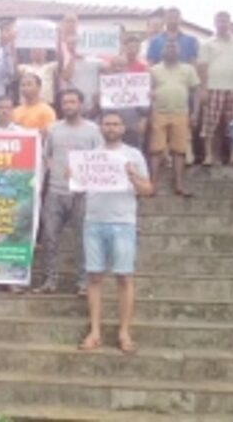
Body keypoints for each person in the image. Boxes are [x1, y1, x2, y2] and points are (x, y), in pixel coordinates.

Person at [78, 112, 153, 354]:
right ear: (100, 128)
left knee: (124, 278)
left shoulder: (133, 155)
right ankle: (95, 331)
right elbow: (77, 186)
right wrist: (74, 177)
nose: (111, 128)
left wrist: (132, 175)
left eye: (115, 124)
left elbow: (148, 190)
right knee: (94, 278)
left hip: (123, 223)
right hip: (94, 221)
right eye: (107, 124)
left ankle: (124, 332)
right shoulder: (90, 156)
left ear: (123, 128)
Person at [38, 89, 103, 295]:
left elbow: (100, 159)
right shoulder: (54, 129)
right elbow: (46, 156)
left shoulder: (93, 130)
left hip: (82, 193)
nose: (68, 106)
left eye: (72, 102)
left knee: (83, 238)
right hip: (55, 191)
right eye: (65, 102)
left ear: (81, 104)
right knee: (49, 237)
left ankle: (83, 282)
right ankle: (50, 280)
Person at [198, 11, 233, 166]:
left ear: (230, 23)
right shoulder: (207, 43)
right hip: (213, 87)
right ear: (214, 23)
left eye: (225, 20)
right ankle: (209, 155)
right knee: (210, 122)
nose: (222, 23)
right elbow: (202, 66)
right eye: (219, 20)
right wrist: (203, 89)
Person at [149, 40, 200, 196]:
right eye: (168, 47)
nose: (171, 50)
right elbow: (146, 91)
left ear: (179, 51)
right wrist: (149, 113)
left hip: (181, 113)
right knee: (156, 150)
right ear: (162, 51)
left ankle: (179, 185)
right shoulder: (153, 70)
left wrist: (195, 113)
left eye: (174, 47)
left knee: (179, 150)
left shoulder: (188, 69)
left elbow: (196, 92)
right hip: (159, 112)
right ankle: (152, 184)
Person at [105, 35, 149, 148]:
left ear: (126, 68)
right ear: (110, 68)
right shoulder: (105, 84)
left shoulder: (135, 84)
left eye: (121, 66)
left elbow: (144, 107)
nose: (118, 69)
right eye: (115, 66)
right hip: (110, 128)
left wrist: (144, 120)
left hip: (131, 126)